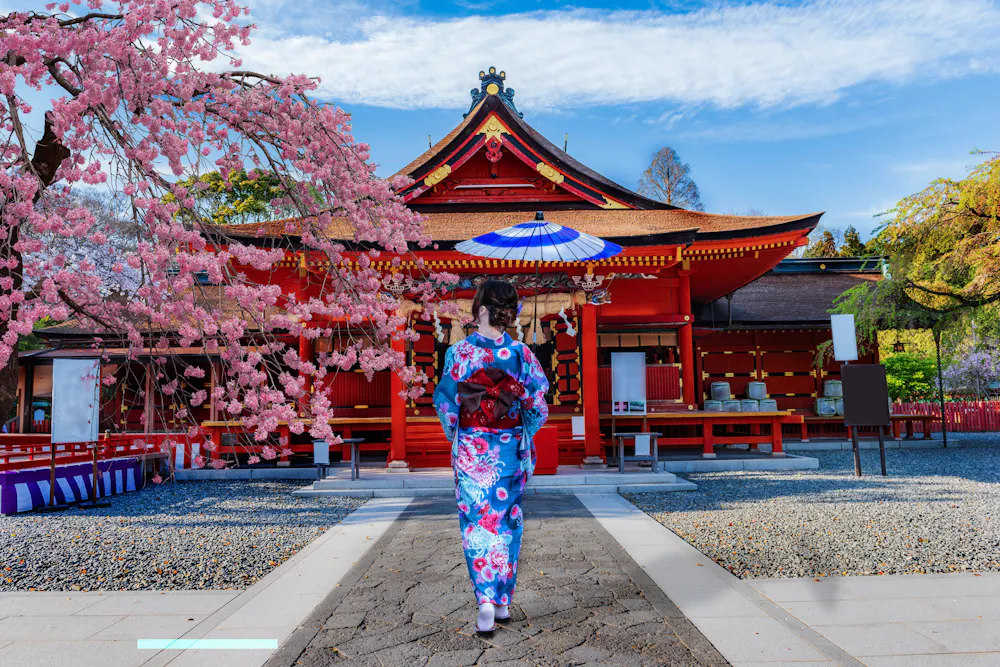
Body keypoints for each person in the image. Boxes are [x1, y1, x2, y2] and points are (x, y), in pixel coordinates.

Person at [433, 279, 549, 634]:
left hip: (472, 449)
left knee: (476, 523)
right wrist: (516, 405)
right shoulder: (521, 354)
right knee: (507, 520)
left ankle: (485, 599)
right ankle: (501, 601)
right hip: (510, 447)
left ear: (481, 310)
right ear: (508, 313)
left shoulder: (459, 353)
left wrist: (459, 429)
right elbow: (538, 406)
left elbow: (446, 404)